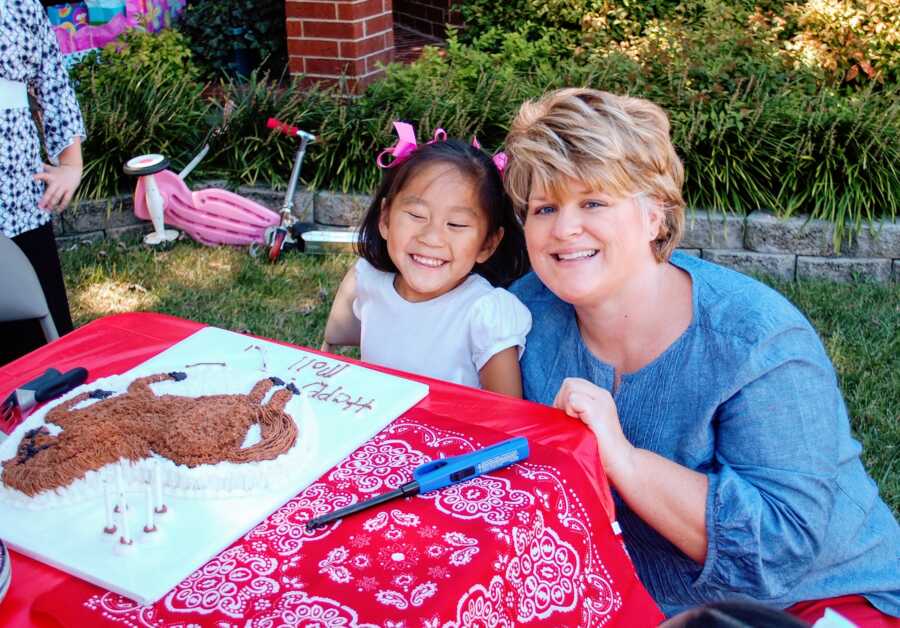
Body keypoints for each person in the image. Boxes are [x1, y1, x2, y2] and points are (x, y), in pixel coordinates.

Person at [503, 88, 900, 622]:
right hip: (631, 594)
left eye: (593, 202)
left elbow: (777, 551)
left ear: (655, 216)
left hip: (813, 597)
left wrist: (621, 457)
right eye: (544, 208)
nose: (564, 228)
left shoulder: (758, 339)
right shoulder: (524, 315)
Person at [322, 123, 531, 396]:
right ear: (385, 219)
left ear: (488, 243)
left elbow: (508, 418)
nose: (431, 237)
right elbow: (330, 346)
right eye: (417, 215)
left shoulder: (486, 314)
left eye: (456, 224)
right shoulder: (369, 280)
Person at [0, 0, 85, 364]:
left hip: (19, 200)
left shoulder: (20, 5)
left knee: (41, 354)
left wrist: (71, 164)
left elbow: (53, 82)